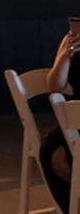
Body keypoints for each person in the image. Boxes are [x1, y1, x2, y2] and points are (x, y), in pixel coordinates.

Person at [41, 30, 80, 213]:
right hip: (77, 121)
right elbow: (54, 86)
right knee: (53, 153)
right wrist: (67, 55)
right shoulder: (72, 38)